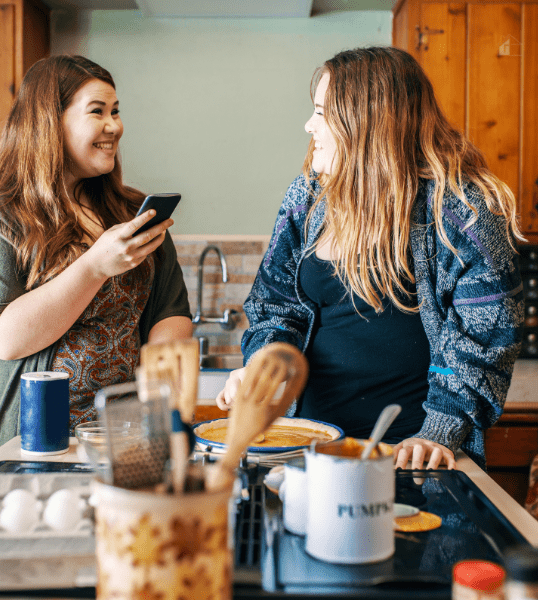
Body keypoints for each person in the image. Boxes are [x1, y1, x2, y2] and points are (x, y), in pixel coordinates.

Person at [216, 46, 524, 471]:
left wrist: (439, 432)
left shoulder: (462, 208)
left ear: (367, 122)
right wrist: (263, 367)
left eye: (322, 113)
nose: (309, 125)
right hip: (306, 444)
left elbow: (486, 335)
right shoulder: (307, 196)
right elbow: (275, 305)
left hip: (410, 454)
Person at [0, 55, 193, 466]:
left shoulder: (132, 212)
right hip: (27, 447)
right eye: (97, 112)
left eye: (115, 112)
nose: (114, 126)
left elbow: (170, 315)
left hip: (123, 445)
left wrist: (156, 409)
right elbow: (7, 339)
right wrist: (95, 266)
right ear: (48, 123)